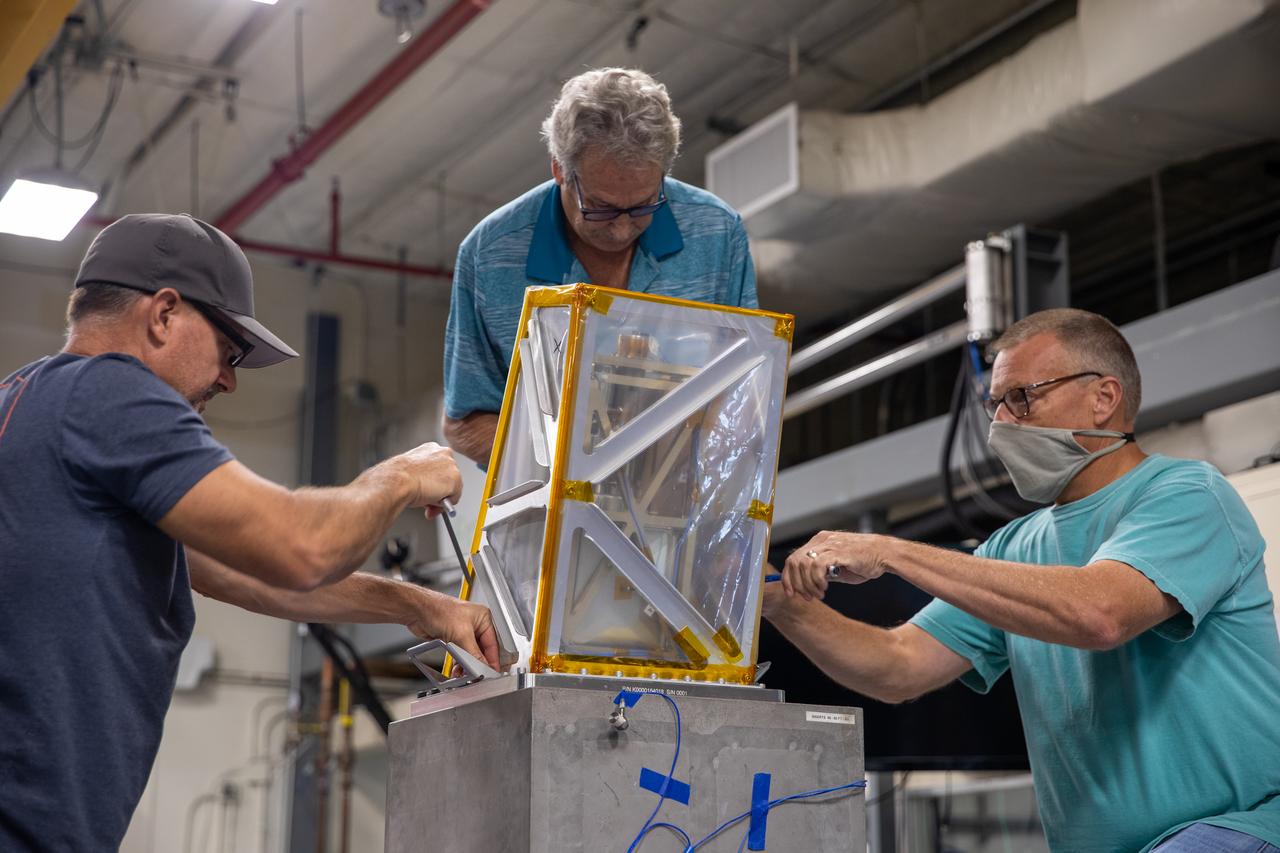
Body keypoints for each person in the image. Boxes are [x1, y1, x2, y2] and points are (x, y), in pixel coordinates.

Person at [0, 214, 498, 852]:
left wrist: (419, 606)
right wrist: (401, 476)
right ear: (163, 315)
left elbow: (249, 571)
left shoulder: (32, 402)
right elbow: (298, 548)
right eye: (229, 350)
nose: (229, 379)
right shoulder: (112, 394)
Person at [766, 308, 1280, 852]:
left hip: (1231, 829)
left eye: (1022, 399)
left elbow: (1101, 614)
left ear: (1103, 399)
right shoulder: (1013, 548)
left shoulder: (1185, 495)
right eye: (995, 406)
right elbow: (899, 667)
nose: (1001, 427)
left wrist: (889, 551)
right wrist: (780, 603)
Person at [442, 67, 758, 465]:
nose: (623, 227)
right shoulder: (489, 256)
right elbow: (464, 421)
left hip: (686, 505)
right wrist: (576, 468)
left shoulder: (716, 233)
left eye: (644, 204)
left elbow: (747, 388)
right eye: (602, 207)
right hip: (551, 514)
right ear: (559, 168)